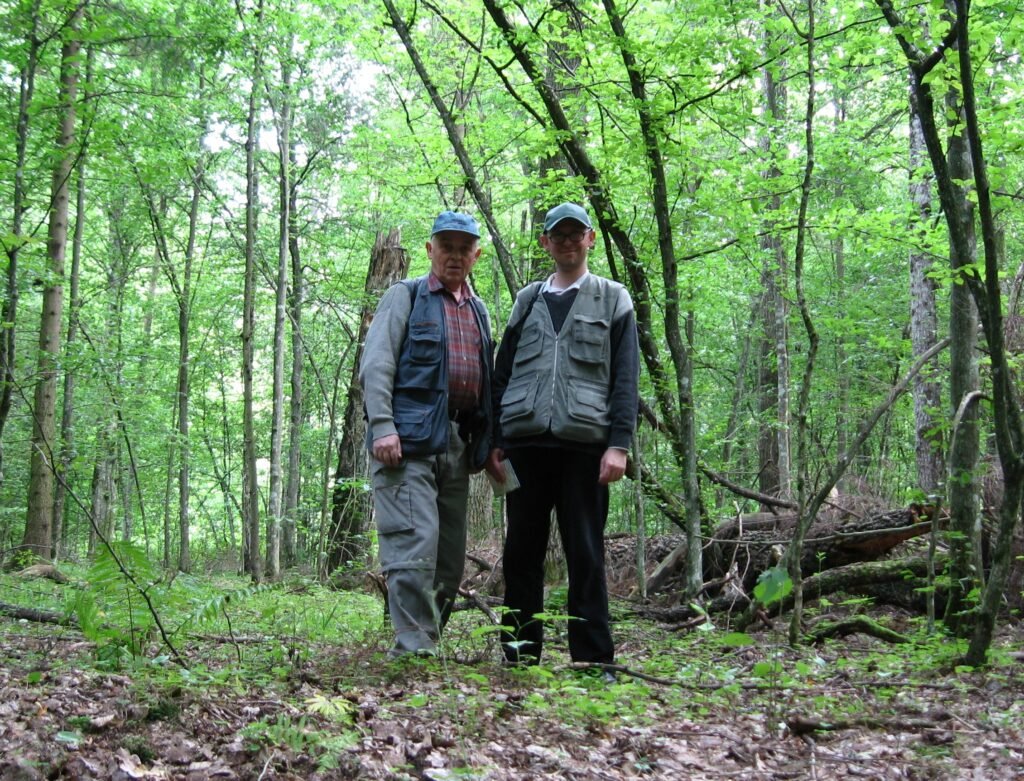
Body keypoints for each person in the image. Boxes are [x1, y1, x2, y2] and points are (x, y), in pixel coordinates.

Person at [487, 202, 640, 667]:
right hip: (526, 446)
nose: (569, 242)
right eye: (560, 235)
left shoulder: (613, 298)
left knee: (586, 556)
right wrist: (494, 442)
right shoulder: (527, 299)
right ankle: (519, 655)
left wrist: (619, 445)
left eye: (578, 234)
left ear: (591, 239)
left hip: (585, 449)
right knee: (520, 555)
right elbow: (501, 374)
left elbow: (625, 378)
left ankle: (593, 660)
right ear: (546, 243)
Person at [360, 211, 494, 659]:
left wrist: (488, 441)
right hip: (407, 441)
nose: (454, 256)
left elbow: (486, 382)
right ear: (430, 250)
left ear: (476, 255)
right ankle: (414, 648)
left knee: (450, 554)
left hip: (457, 441)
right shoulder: (407, 297)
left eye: (464, 248)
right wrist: (383, 426)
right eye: (446, 246)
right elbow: (377, 364)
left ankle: (428, 635)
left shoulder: (479, 311)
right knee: (414, 540)